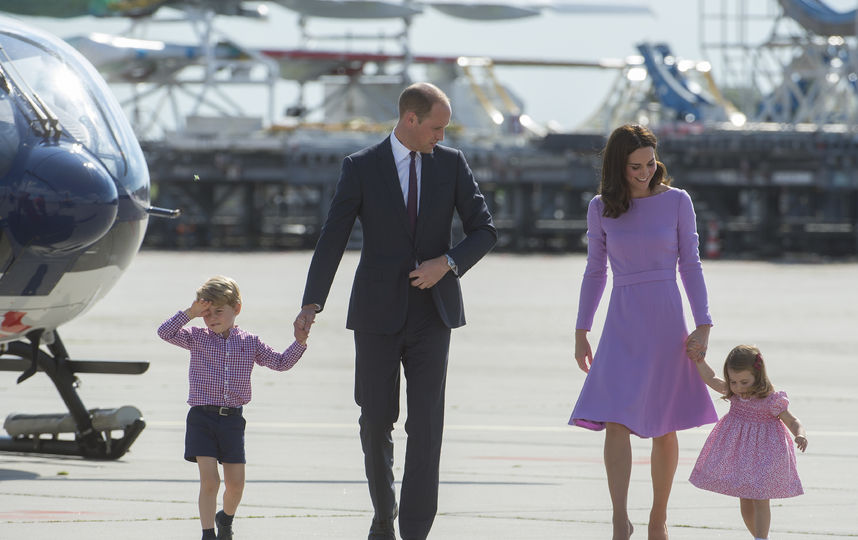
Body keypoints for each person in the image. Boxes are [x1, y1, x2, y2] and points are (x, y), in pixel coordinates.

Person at [293, 82, 496, 540]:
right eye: (436, 127)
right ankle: (383, 517)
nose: (441, 136)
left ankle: (415, 531)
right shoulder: (361, 167)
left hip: (434, 315)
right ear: (410, 119)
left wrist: (446, 264)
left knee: (426, 427)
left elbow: (484, 230)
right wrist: (312, 302)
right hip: (375, 315)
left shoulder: (452, 164)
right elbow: (333, 237)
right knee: (375, 421)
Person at [569, 124, 717, 540]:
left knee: (664, 423)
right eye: (635, 165)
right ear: (618, 165)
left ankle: (658, 518)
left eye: (651, 163)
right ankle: (620, 519)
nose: (645, 171)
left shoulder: (677, 201)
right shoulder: (601, 207)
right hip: (622, 322)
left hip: (668, 321)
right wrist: (582, 330)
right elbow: (595, 271)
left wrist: (703, 324)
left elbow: (691, 264)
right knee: (616, 420)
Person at [158, 275, 308, 540]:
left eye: (219, 311)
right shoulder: (196, 337)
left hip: (232, 421)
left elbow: (281, 363)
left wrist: (299, 342)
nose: (212, 318)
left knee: (236, 484)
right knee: (210, 481)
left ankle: (225, 518)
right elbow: (164, 332)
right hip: (201, 418)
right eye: (207, 313)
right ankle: (208, 533)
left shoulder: (250, 342)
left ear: (236, 308)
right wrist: (190, 314)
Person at [690, 345, 807, 540]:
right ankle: (759, 537)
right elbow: (711, 379)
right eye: (733, 382)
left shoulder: (770, 400)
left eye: (744, 381)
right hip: (741, 454)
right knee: (745, 500)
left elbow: (792, 420)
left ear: (758, 375)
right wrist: (699, 361)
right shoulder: (734, 392)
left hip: (766, 454)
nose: (738, 387)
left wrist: (800, 434)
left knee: (761, 499)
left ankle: (761, 537)